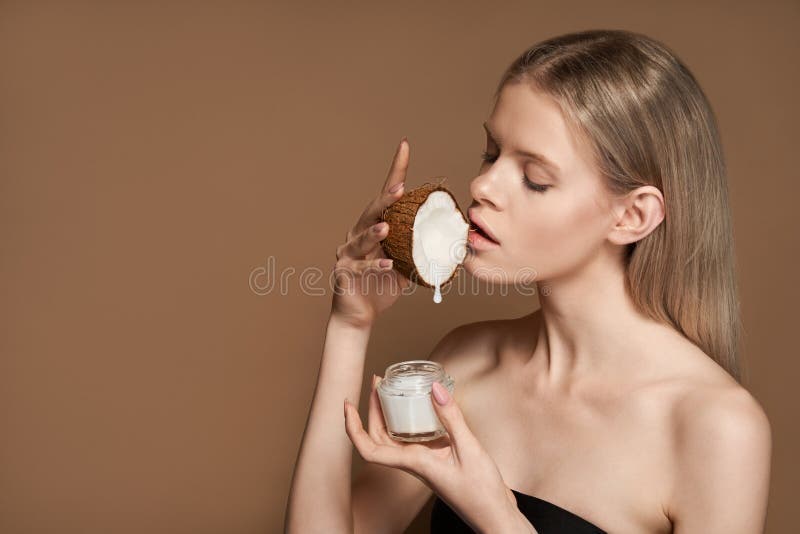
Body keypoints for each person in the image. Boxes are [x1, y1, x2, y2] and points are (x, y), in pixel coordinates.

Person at [284, 29, 772, 534]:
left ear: (632, 216)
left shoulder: (716, 427)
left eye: (535, 178)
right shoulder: (467, 363)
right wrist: (350, 326)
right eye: (492, 153)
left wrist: (496, 516)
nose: (481, 186)